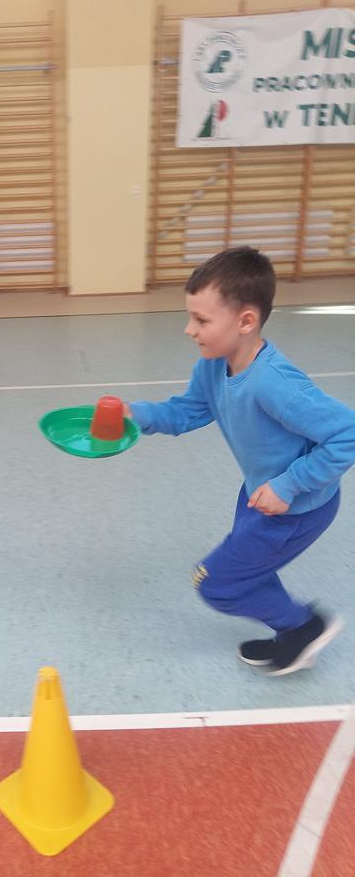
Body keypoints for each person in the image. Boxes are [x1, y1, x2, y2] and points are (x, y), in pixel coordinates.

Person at [125, 246, 355, 676]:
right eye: (191, 317)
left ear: (246, 321)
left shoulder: (274, 383)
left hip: (297, 508)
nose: (189, 330)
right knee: (248, 567)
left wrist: (288, 486)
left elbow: (347, 433)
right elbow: (187, 411)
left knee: (217, 583)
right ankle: (295, 635)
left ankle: (305, 627)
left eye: (201, 320)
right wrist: (135, 416)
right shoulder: (213, 366)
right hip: (257, 494)